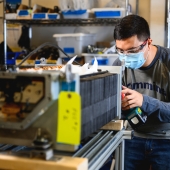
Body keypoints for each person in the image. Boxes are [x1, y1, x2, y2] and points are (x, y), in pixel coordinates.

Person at [113, 14, 170, 170]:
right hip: (132, 136)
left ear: (148, 43)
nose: (125, 58)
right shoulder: (119, 64)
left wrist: (144, 102)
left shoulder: (167, 62)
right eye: (120, 51)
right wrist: (121, 107)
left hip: (166, 138)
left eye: (131, 51)